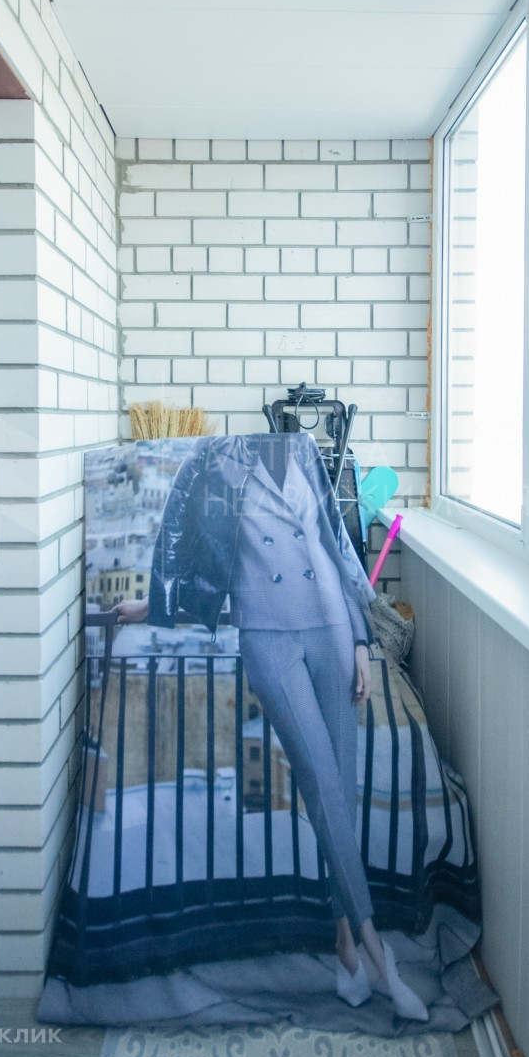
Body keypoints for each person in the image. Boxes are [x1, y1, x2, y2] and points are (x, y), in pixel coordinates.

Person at [114, 432, 428, 1020]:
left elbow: (336, 545)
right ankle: (378, 953)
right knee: (320, 780)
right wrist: (154, 604)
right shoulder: (217, 461)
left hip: (333, 628)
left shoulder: (304, 452)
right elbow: (192, 545)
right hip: (269, 637)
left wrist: (362, 641)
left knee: (341, 790)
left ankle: (345, 948)